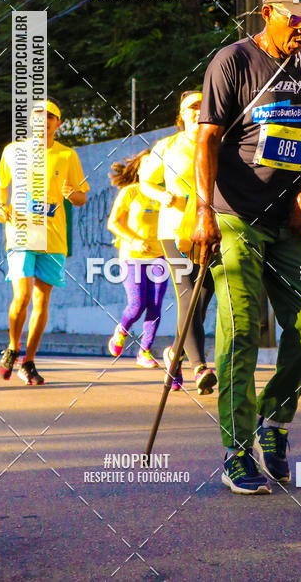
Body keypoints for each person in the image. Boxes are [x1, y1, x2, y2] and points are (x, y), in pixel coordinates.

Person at [192, 0, 301, 494]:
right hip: (235, 214)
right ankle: (237, 449)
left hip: (287, 219)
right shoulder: (232, 61)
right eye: (296, 17)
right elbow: (207, 141)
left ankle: (274, 425)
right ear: (268, 14)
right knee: (240, 329)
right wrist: (202, 213)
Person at [0, 98, 89, 385]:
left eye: (50, 116)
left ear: (58, 123)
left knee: (41, 300)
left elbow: (82, 197)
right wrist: (2, 206)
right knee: (21, 297)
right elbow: (1, 186)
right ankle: (12, 348)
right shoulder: (13, 152)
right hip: (21, 232)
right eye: (38, 116)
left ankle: (29, 362)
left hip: (53, 238)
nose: (43, 121)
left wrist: (72, 194)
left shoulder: (67, 156)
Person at [138, 91, 217, 395]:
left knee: (201, 298)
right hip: (174, 229)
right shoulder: (166, 148)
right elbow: (146, 182)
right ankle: (200, 367)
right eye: (191, 108)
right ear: (181, 115)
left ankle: (174, 352)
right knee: (187, 293)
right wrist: (164, 197)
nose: (197, 111)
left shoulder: (217, 142)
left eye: (202, 106)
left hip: (210, 230)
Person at [106, 151, 169, 367]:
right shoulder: (130, 192)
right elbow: (113, 222)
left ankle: (145, 352)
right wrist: (133, 240)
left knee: (155, 304)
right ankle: (122, 331)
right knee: (137, 304)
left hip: (159, 256)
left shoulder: (166, 194)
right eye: (147, 164)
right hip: (132, 257)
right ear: (139, 169)